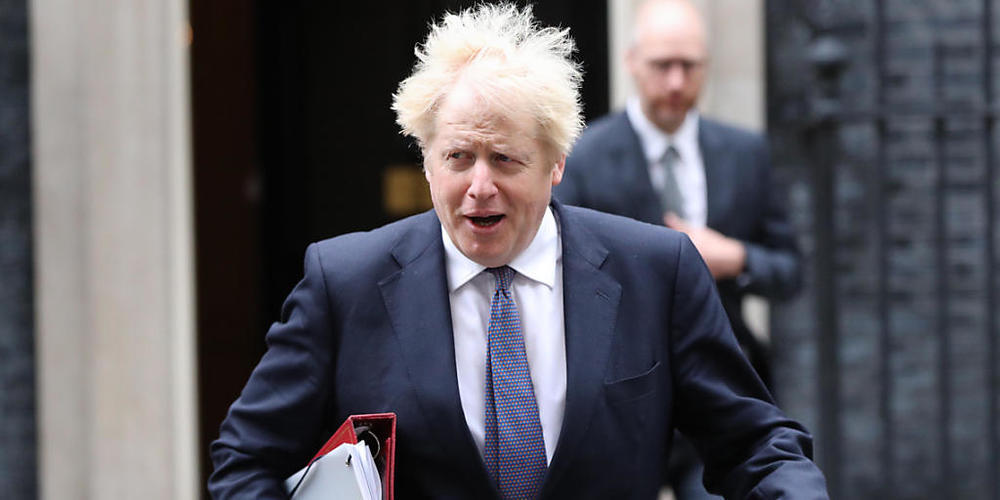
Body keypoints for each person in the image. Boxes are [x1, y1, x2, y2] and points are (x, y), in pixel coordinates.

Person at [208, 4, 827, 499]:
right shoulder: (342, 283)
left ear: (556, 164)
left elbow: (753, 444)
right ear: (427, 163)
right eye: (458, 157)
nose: (480, 186)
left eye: (505, 158)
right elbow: (245, 461)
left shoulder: (655, 273)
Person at [553, 2, 802, 497]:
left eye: (688, 66)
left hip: (715, 383)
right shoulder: (583, 155)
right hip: (617, 389)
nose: (675, 81)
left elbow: (791, 269)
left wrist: (736, 259)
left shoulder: (745, 152)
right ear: (631, 61)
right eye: (661, 64)